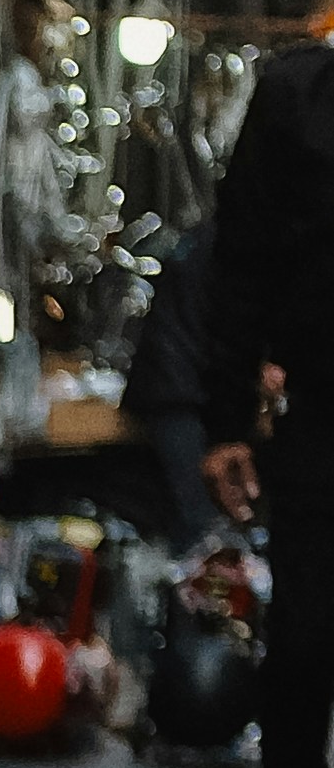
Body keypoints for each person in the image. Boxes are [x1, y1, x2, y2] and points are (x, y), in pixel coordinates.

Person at [203, 21, 334, 768]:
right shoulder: (296, 99)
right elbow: (238, 261)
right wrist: (222, 420)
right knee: (304, 647)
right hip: (323, 414)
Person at [128, 215, 220, 554]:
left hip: (174, 385)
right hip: (175, 392)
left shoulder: (207, 238)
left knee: (195, 513)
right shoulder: (225, 244)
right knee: (198, 519)